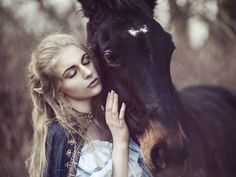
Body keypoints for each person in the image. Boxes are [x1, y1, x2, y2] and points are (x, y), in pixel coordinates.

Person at [27, 34, 151, 177]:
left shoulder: (109, 115)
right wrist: (120, 142)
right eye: (72, 73)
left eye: (86, 62)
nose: (88, 72)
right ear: (58, 90)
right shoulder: (62, 136)